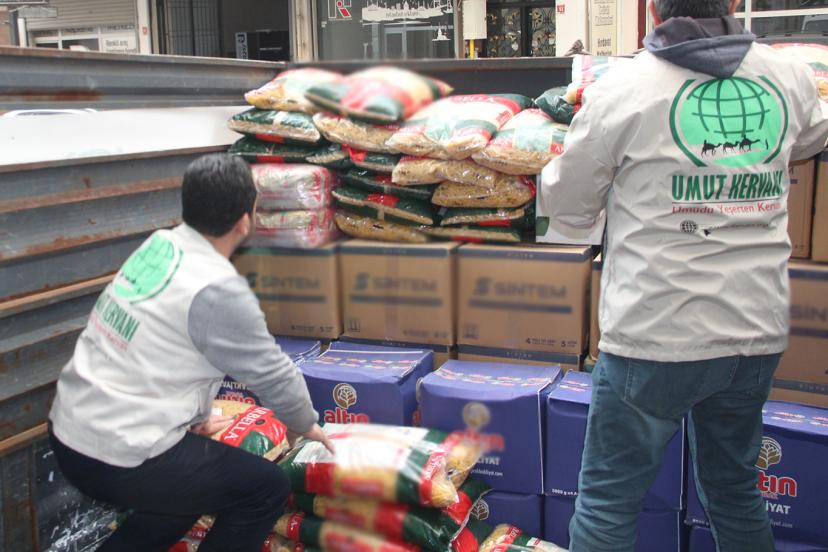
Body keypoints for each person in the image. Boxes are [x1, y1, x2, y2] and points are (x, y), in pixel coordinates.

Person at [540, 1, 828, 551]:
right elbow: (812, 137)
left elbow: (569, 206)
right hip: (753, 330)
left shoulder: (624, 89)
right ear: (733, 5)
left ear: (653, 11)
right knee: (736, 491)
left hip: (655, 332)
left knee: (607, 502)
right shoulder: (786, 76)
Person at [48, 154, 333, 552]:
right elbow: (273, 373)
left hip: (69, 432)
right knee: (265, 488)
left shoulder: (160, 246)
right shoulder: (218, 289)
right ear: (245, 220)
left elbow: (160, 348)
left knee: (188, 491)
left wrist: (195, 418)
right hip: (118, 454)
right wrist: (308, 424)